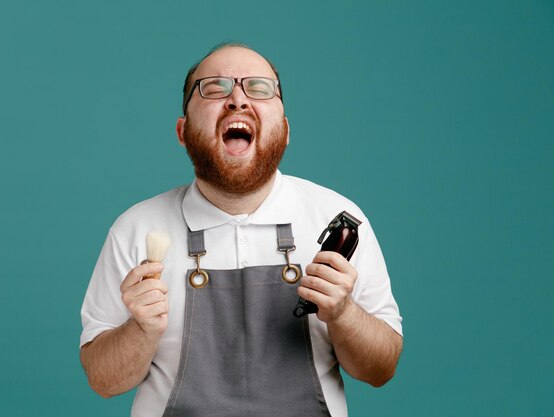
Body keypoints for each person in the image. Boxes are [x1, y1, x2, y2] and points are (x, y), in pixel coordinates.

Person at [80, 43, 403, 417]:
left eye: (259, 88)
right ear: (182, 131)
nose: (237, 99)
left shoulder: (337, 219)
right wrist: (140, 329)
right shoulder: (136, 228)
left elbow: (382, 369)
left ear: (284, 130)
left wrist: (344, 313)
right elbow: (102, 381)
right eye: (214, 88)